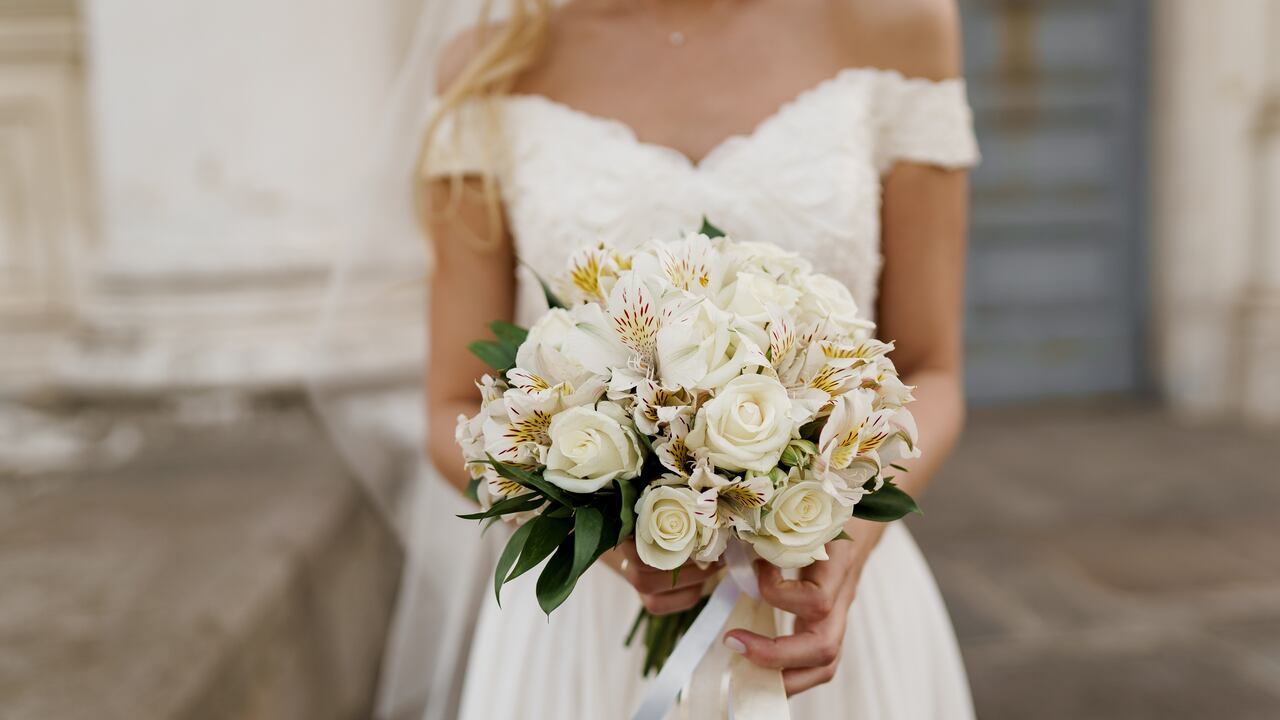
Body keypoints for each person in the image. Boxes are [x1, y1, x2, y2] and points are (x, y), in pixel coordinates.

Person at [421, 0, 979, 716]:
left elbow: (933, 370)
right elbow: (451, 410)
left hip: (822, 590)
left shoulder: (898, 28)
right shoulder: (491, 66)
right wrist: (606, 539)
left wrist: (849, 544)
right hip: (586, 627)